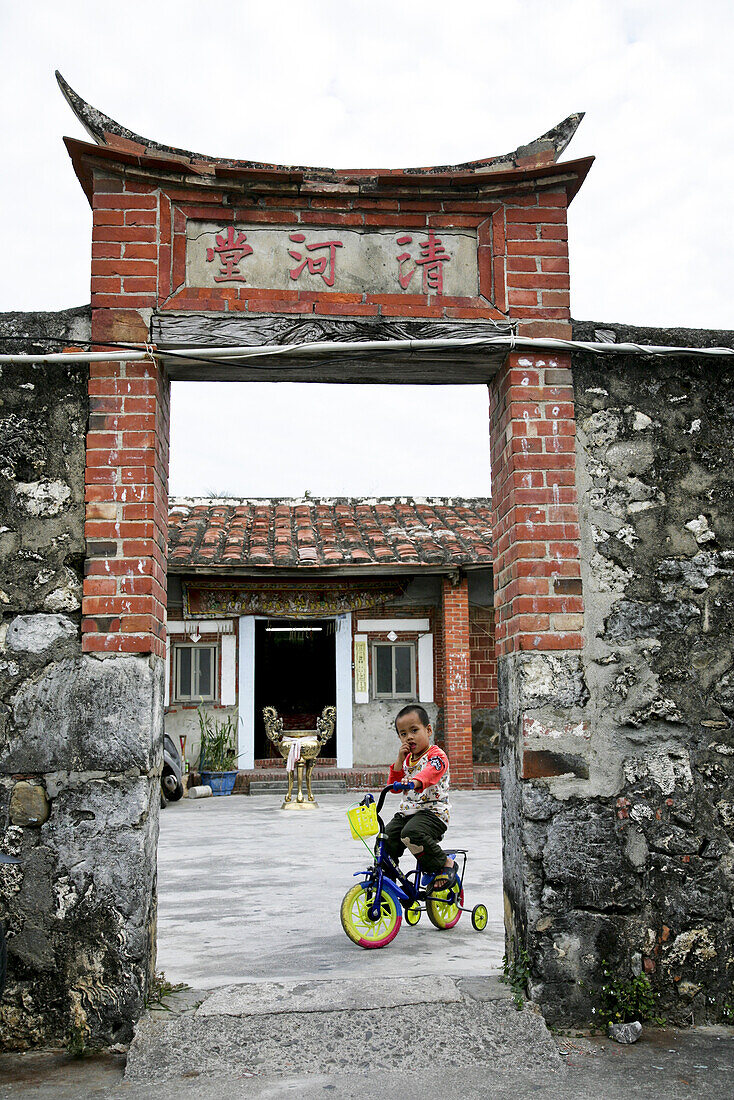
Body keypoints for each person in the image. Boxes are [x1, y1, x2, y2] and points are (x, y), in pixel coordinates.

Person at [384, 703, 457, 889]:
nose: (409, 737)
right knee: (385, 838)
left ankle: (444, 863)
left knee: (411, 833)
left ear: (428, 729)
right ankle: (388, 877)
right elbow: (393, 787)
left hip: (433, 813)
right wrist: (400, 760)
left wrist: (416, 782)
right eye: (403, 734)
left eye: (414, 730)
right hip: (409, 813)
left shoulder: (437, 755)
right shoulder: (408, 758)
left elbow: (431, 773)